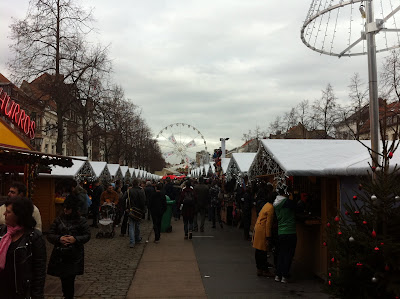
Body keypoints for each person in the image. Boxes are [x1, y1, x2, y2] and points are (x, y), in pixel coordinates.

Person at [0, 197, 47, 299]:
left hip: (20, 292)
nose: (4, 214)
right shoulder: (2, 232)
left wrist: (36, 295)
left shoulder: (33, 238)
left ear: (18, 215)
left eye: (8, 212)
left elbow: (39, 271)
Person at [47, 195, 91, 299]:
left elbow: (87, 235)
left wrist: (75, 239)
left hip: (74, 255)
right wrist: (59, 239)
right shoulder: (59, 219)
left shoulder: (81, 220)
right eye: (65, 207)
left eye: (68, 208)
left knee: (70, 280)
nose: (65, 210)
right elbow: (50, 234)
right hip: (60, 254)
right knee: (64, 279)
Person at [273, 187, 297, 284]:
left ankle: (278, 275)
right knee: (288, 254)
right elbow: (298, 207)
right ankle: (284, 275)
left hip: (281, 232)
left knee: (281, 254)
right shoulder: (288, 202)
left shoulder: (276, 204)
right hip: (290, 231)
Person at [252, 192, 275, 278]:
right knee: (263, 251)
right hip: (263, 231)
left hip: (258, 228)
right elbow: (268, 224)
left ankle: (259, 269)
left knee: (258, 250)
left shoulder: (266, 205)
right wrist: (268, 236)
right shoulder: (271, 208)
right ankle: (264, 270)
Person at [121, 179, 146, 248]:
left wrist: (125, 208)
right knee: (137, 225)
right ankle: (137, 238)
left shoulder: (129, 191)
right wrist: (143, 210)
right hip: (138, 210)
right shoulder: (141, 191)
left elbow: (123, 199)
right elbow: (143, 201)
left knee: (131, 226)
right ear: (138, 184)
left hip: (130, 210)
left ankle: (132, 242)